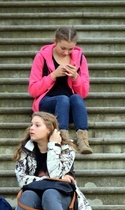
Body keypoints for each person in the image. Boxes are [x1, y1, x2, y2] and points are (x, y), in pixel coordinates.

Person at [9, 111, 79, 210]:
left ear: (49, 129)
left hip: (62, 208)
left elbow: (56, 172)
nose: (31, 128)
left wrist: (54, 145)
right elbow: (22, 180)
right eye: (31, 125)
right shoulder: (25, 151)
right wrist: (53, 179)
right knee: (27, 194)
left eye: (37, 125)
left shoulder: (65, 149)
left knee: (50, 192)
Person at [28, 26, 93, 154]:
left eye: (71, 49)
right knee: (62, 99)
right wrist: (53, 75)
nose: (66, 53)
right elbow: (33, 90)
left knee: (76, 98)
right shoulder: (42, 57)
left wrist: (75, 77)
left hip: (68, 108)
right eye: (63, 48)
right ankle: (63, 139)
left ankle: (83, 141)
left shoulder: (79, 58)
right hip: (47, 104)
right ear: (55, 41)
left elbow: (84, 92)